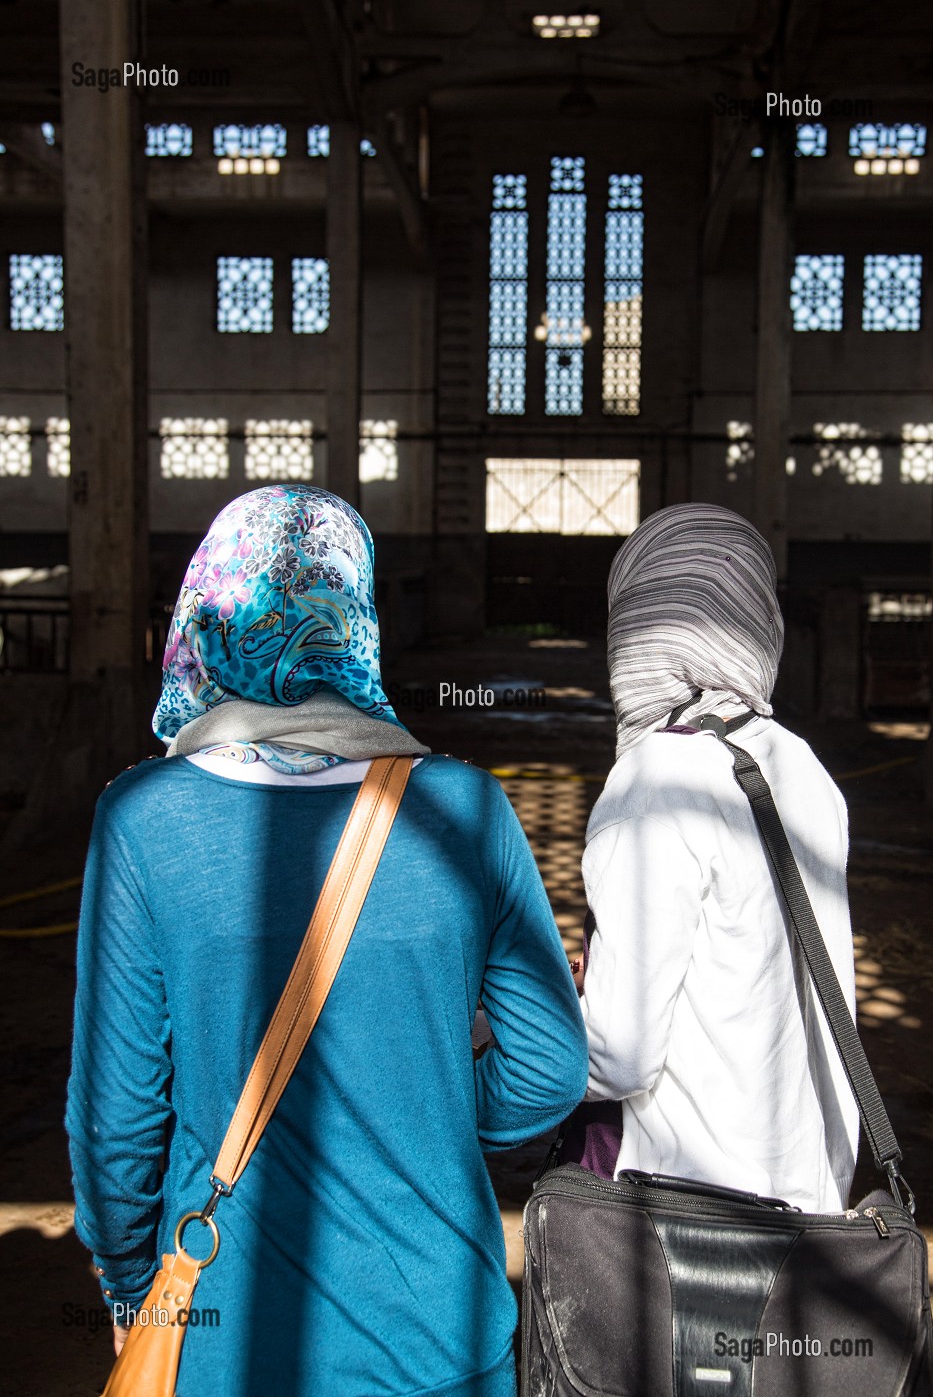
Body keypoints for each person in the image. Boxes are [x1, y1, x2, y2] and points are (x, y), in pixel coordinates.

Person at [66, 484, 588, 1397]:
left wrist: (127, 1287)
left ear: (207, 613)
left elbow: (117, 1120)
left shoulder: (145, 820)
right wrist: (413, 1104)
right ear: (355, 612)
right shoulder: (464, 809)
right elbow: (547, 1067)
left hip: (226, 1344)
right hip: (440, 1332)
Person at [577, 502, 858, 1213]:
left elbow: (618, 1054)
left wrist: (524, 1022)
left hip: (686, 1215)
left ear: (635, 624)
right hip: (805, 1198)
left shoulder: (654, 780)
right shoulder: (801, 767)